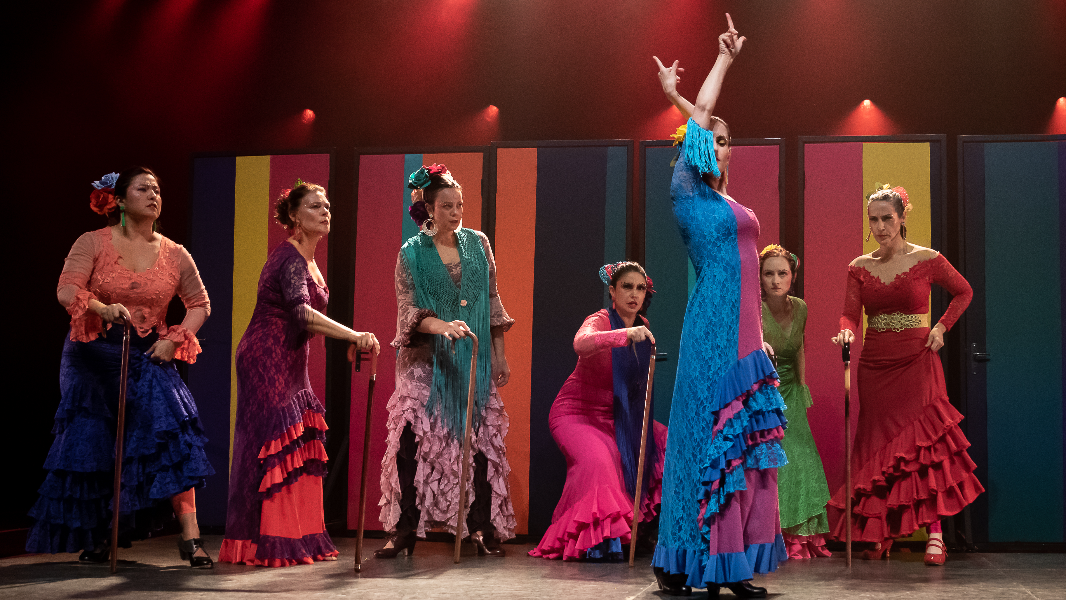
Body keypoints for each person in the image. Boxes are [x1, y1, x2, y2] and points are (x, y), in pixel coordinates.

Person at [651, 14, 787, 599]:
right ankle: (687, 559)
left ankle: (731, 562)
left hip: (744, 331)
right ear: (692, 149)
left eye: (728, 140)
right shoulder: (685, 190)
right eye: (710, 138)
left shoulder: (729, 200)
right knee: (709, 440)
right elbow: (701, 116)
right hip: (711, 327)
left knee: (747, 445)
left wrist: (756, 336)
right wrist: (723, 61)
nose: (719, 144)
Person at [27, 167, 215, 567]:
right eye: (143, 188)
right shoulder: (92, 242)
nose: (153, 195)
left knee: (173, 437)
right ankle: (99, 535)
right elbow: (66, 289)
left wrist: (172, 339)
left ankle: (191, 538)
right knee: (96, 443)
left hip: (150, 355)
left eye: (157, 189)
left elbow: (200, 303)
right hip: (94, 356)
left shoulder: (175, 252)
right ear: (120, 199)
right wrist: (100, 306)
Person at [219, 181, 380, 567]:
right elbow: (302, 313)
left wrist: (347, 339)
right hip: (265, 355)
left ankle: (297, 534)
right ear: (294, 216)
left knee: (300, 437)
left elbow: (308, 320)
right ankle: (262, 540)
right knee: (275, 440)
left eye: (326, 205)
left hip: (292, 358)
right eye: (313, 206)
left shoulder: (309, 260)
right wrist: (353, 334)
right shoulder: (289, 258)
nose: (324, 211)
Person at [830, 184, 983, 566]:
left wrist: (942, 327)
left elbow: (963, 292)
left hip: (917, 359)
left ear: (902, 218)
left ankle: (935, 534)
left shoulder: (928, 258)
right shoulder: (859, 266)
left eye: (887, 218)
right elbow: (850, 313)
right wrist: (847, 329)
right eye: (874, 220)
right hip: (877, 364)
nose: (880, 227)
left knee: (922, 447)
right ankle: (879, 531)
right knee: (878, 448)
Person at [376, 164, 516, 558]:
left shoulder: (478, 243)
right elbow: (408, 310)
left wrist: (500, 355)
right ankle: (404, 530)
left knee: (478, 444)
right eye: (448, 206)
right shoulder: (412, 253)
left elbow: (492, 301)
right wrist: (441, 326)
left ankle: (480, 528)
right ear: (430, 210)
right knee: (410, 443)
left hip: (472, 360)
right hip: (424, 361)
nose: (456, 213)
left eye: (460, 206)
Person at [529, 261, 669, 561]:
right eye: (627, 287)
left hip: (616, 416)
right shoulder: (601, 318)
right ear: (612, 292)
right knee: (600, 462)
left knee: (666, 443)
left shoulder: (644, 327)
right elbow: (582, 344)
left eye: (640, 288)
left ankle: (644, 530)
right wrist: (624, 336)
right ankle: (597, 542)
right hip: (575, 414)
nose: (634, 294)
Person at [759, 245, 832, 559]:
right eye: (769, 274)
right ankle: (769, 532)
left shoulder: (800, 307)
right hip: (760, 389)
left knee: (800, 457)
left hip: (791, 387)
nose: (776, 280)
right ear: (760, 278)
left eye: (782, 273)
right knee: (773, 460)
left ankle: (799, 535)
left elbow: (800, 346)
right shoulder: (752, 306)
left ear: (793, 276)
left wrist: (802, 386)